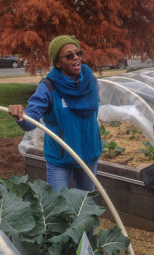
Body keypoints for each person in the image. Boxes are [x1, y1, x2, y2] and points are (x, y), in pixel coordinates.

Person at [8, 35, 102, 192]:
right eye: (69, 56)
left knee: (86, 207)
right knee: (59, 209)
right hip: (60, 159)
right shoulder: (49, 87)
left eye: (78, 53)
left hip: (89, 154)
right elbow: (30, 121)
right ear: (58, 63)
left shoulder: (91, 81)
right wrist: (20, 114)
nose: (76, 58)